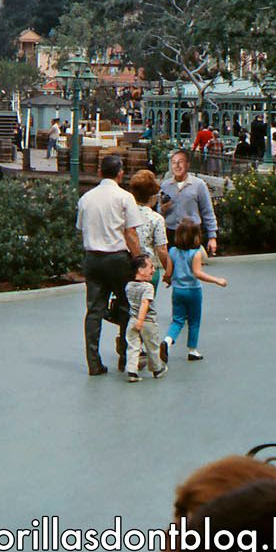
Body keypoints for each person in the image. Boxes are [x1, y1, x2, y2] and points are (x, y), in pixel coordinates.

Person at [78, 155, 143, 376]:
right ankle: (126, 357)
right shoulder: (125, 197)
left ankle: (93, 362)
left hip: (92, 258)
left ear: (99, 172)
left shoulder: (86, 198)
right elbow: (131, 233)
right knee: (125, 306)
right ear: (120, 173)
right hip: (117, 258)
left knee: (94, 310)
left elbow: (81, 228)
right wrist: (139, 259)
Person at [163, 218, 228, 362]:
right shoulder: (196, 253)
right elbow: (197, 273)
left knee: (177, 320)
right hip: (193, 290)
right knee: (194, 321)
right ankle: (192, 350)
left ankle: (167, 340)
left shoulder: (172, 251)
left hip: (177, 290)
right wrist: (217, 280)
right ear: (196, 236)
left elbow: (168, 273)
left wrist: (168, 281)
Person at [159, 149, 219, 256]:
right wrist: (163, 209)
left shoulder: (199, 185)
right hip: (171, 233)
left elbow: (207, 211)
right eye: (174, 163)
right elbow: (158, 212)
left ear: (187, 164)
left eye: (180, 162)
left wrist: (212, 237)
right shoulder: (165, 185)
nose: (177, 166)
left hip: (192, 233)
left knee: (193, 263)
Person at [124, 254, 167, 383]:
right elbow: (144, 303)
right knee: (152, 346)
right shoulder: (148, 287)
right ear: (141, 270)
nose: (153, 270)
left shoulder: (129, 286)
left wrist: (136, 320)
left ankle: (132, 370)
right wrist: (141, 321)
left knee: (133, 346)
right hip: (147, 322)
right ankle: (157, 368)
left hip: (132, 320)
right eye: (150, 267)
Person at [129, 170, 171, 292]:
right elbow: (161, 249)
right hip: (149, 267)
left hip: (128, 266)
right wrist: (168, 272)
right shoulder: (156, 219)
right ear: (152, 196)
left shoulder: (125, 214)